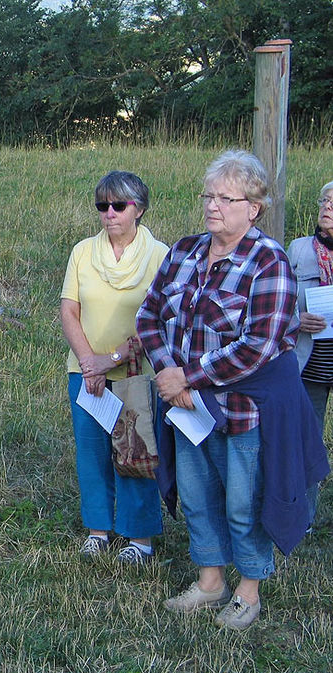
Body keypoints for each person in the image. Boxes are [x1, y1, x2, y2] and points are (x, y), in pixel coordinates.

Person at [137, 150, 328, 630]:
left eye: (226, 198)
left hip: (244, 411)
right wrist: (169, 375)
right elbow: (149, 317)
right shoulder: (183, 251)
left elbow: (261, 345)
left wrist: (189, 375)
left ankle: (248, 591)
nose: (213, 206)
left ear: (253, 207)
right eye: (209, 195)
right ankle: (209, 581)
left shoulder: (270, 261)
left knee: (245, 504)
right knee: (198, 496)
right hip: (187, 408)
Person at [60, 171, 167, 565]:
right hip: (85, 373)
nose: (109, 213)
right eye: (102, 205)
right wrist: (90, 363)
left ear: (138, 209)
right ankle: (98, 530)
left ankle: (139, 538)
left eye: (118, 206)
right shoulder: (83, 252)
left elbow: (161, 318)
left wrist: (114, 359)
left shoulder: (160, 255)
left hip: (136, 372)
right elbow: (69, 309)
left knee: (136, 452)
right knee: (92, 452)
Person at [287, 180, 333, 526]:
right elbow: (279, 301)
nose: (326, 207)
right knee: (307, 440)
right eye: (324, 200)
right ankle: (304, 516)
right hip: (310, 363)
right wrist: (297, 321)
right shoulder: (300, 250)